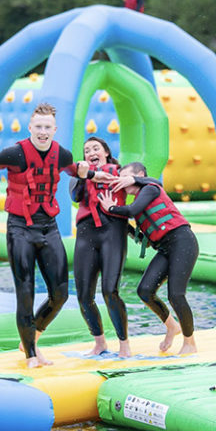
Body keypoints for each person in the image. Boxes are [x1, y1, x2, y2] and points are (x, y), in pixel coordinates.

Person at [0, 102, 115, 368]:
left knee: (59, 295)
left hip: (49, 227)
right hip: (20, 229)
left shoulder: (62, 155)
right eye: (38, 127)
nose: (43, 132)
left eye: (48, 127)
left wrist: (96, 175)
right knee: (25, 292)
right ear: (30, 128)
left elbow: (76, 171)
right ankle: (32, 355)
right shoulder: (15, 153)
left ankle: (31, 338)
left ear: (55, 129)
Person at [98, 162, 198, 355]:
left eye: (124, 177)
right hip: (165, 248)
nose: (121, 183)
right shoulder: (140, 203)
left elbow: (131, 210)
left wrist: (112, 208)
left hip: (182, 242)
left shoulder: (151, 188)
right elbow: (145, 239)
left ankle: (190, 343)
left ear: (139, 175)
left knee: (176, 295)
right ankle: (172, 327)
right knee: (145, 291)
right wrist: (120, 224)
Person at [70, 137, 131, 357]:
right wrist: (82, 174)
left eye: (96, 148)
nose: (91, 153)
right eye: (87, 150)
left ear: (106, 152)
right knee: (83, 295)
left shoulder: (119, 172)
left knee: (110, 291)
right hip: (86, 235)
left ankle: (124, 344)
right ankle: (100, 342)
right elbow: (76, 197)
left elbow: (143, 185)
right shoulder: (80, 175)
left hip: (112, 232)